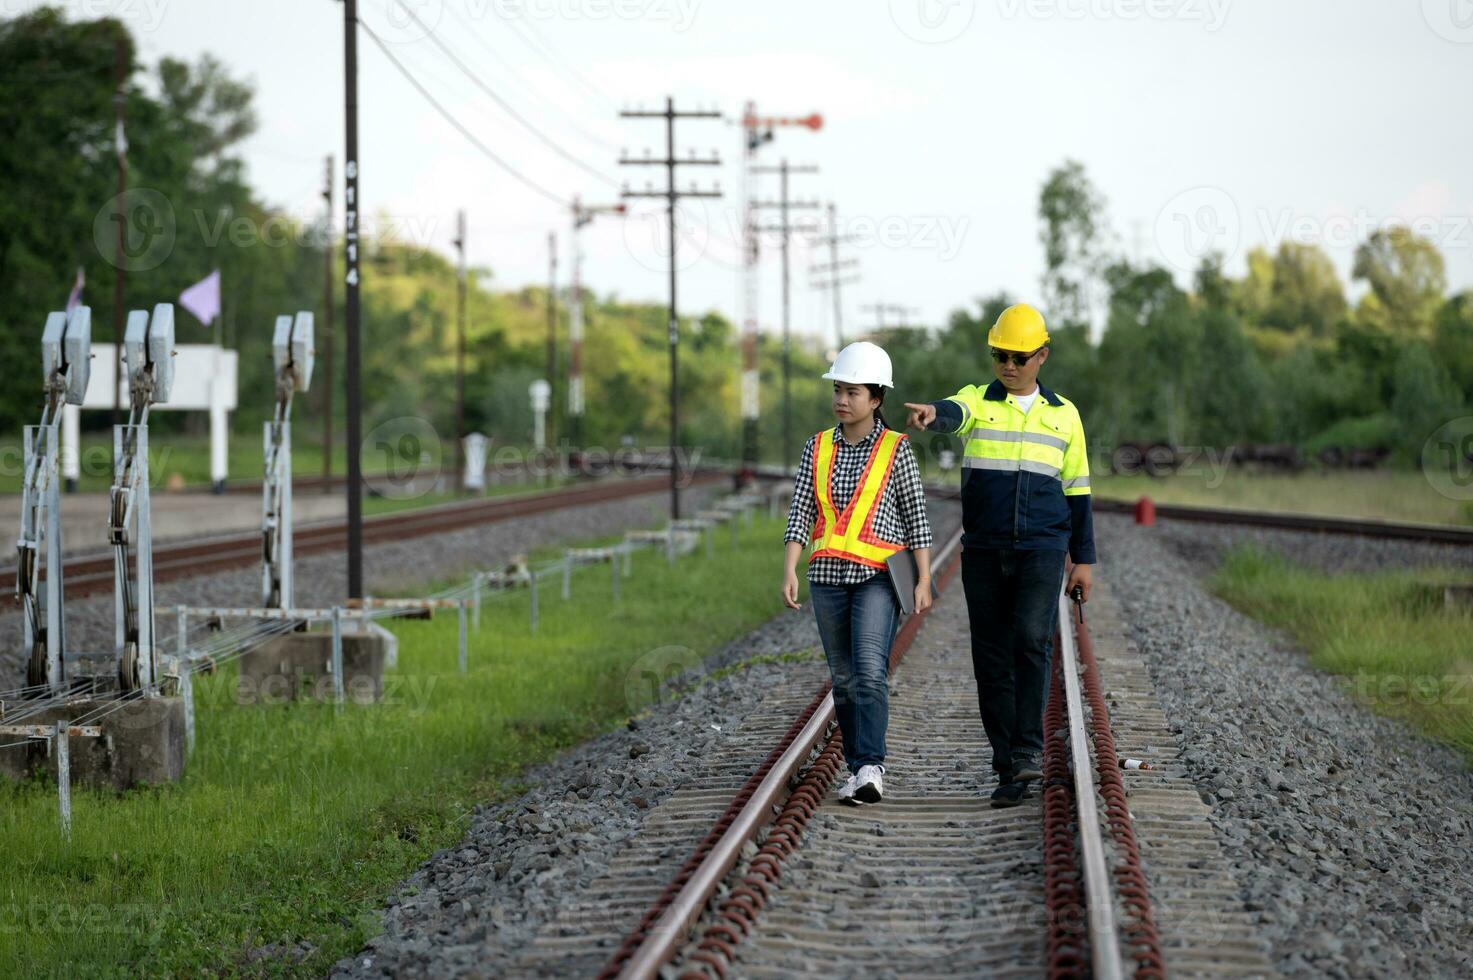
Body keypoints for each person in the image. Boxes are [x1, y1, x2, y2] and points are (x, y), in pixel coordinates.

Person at [903, 303, 1096, 809]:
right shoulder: (979, 400)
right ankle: (1007, 762)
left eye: (1018, 356)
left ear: (1042, 356)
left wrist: (1084, 559)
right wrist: (932, 414)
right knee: (990, 656)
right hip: (985, 550)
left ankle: (1029, 748)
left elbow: (1078, 490)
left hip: (1043, 548)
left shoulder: (1065, 415)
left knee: (1032, 638)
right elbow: (953, 411)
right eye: (998, 356)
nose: (1008, 365)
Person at [781, 341, 933, 806]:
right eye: (838, 390)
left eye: (852, 392)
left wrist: (924, 579)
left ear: (876, 399)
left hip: (875, 579)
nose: (842, 400)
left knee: (869, 671)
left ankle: (871, 767)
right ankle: (856, 767)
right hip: (826, 577)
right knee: (843, 679)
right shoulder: (817, 447)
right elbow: (801, 510)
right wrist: (789, 567)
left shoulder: (895, 449)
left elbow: (916, 516)